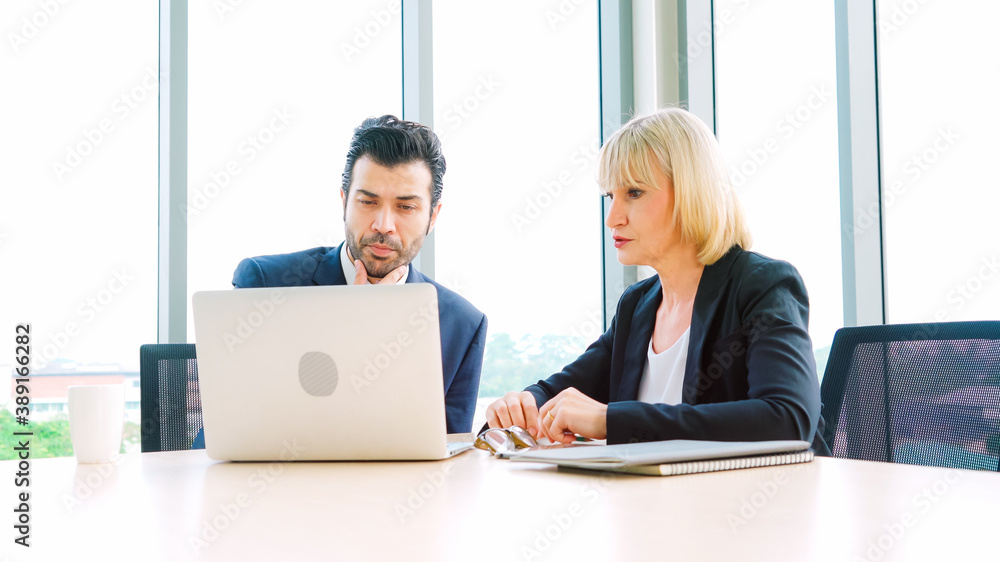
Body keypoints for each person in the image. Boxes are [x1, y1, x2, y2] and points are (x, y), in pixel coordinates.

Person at [485, 107, 829, 455]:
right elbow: (565, 388)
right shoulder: (637, 305)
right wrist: (525, 404)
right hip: (657, 505)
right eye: (610, 197)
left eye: (634, 193)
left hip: (753, 504)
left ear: (690, 193)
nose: (613, 219)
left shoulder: (762, 285)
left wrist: (611, 421)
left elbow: (788, 420)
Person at [193, 115, 487, 449]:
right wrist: (351, 328)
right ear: (344, 201)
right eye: (367, 202)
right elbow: (220, 436)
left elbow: (445, 458)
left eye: (405, 207)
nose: (383, 224)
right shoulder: (266, 284)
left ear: (432, 216)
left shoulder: (461, 324)